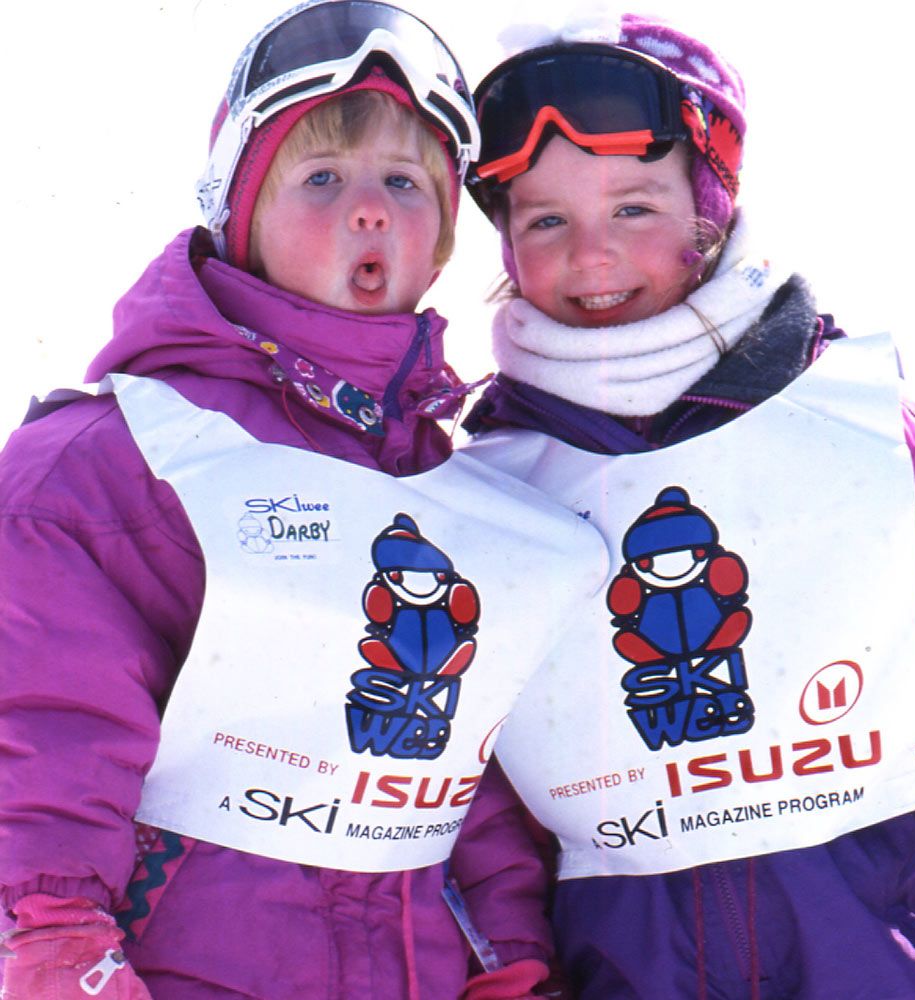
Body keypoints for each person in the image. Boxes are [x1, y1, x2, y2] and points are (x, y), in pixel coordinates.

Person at [0, 2, 607, 997]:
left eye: (403, 182)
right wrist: (55, 937)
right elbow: (48, 723)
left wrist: (509, 955)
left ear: (444, 239)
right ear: (239, 213)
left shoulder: (454, 496)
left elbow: (471, 767)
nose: (369, 209)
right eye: (322, 177)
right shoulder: (117, 464)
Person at [460, 11, 915, 1000]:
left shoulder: (865, 437)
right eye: (545, 221)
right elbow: (469, 797)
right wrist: (512, 968)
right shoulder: (486, 495)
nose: (592, 257)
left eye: (634, 207)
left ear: (710, 204)